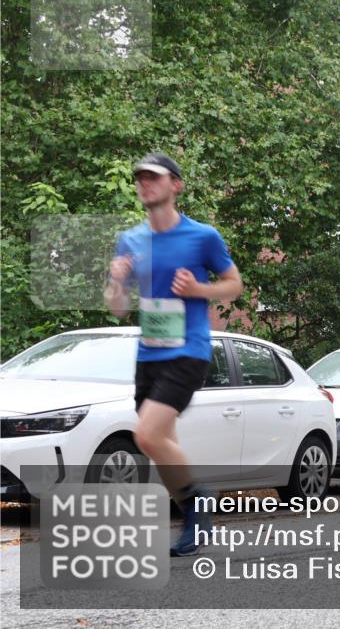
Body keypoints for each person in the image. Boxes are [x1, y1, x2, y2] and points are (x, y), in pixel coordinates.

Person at [105, 153, 243, 557]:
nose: (145, 183)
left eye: (154, 177)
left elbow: (233, 285)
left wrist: (200, 291)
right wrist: (116, 282)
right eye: (140, 178)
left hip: (190, 350)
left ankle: (198, 501)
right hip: (149, 354)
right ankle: (192, 520)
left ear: (175, 185)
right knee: (160, 442)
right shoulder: (130, 240)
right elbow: (117, 308)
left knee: (146, 434)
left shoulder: (202, 237)